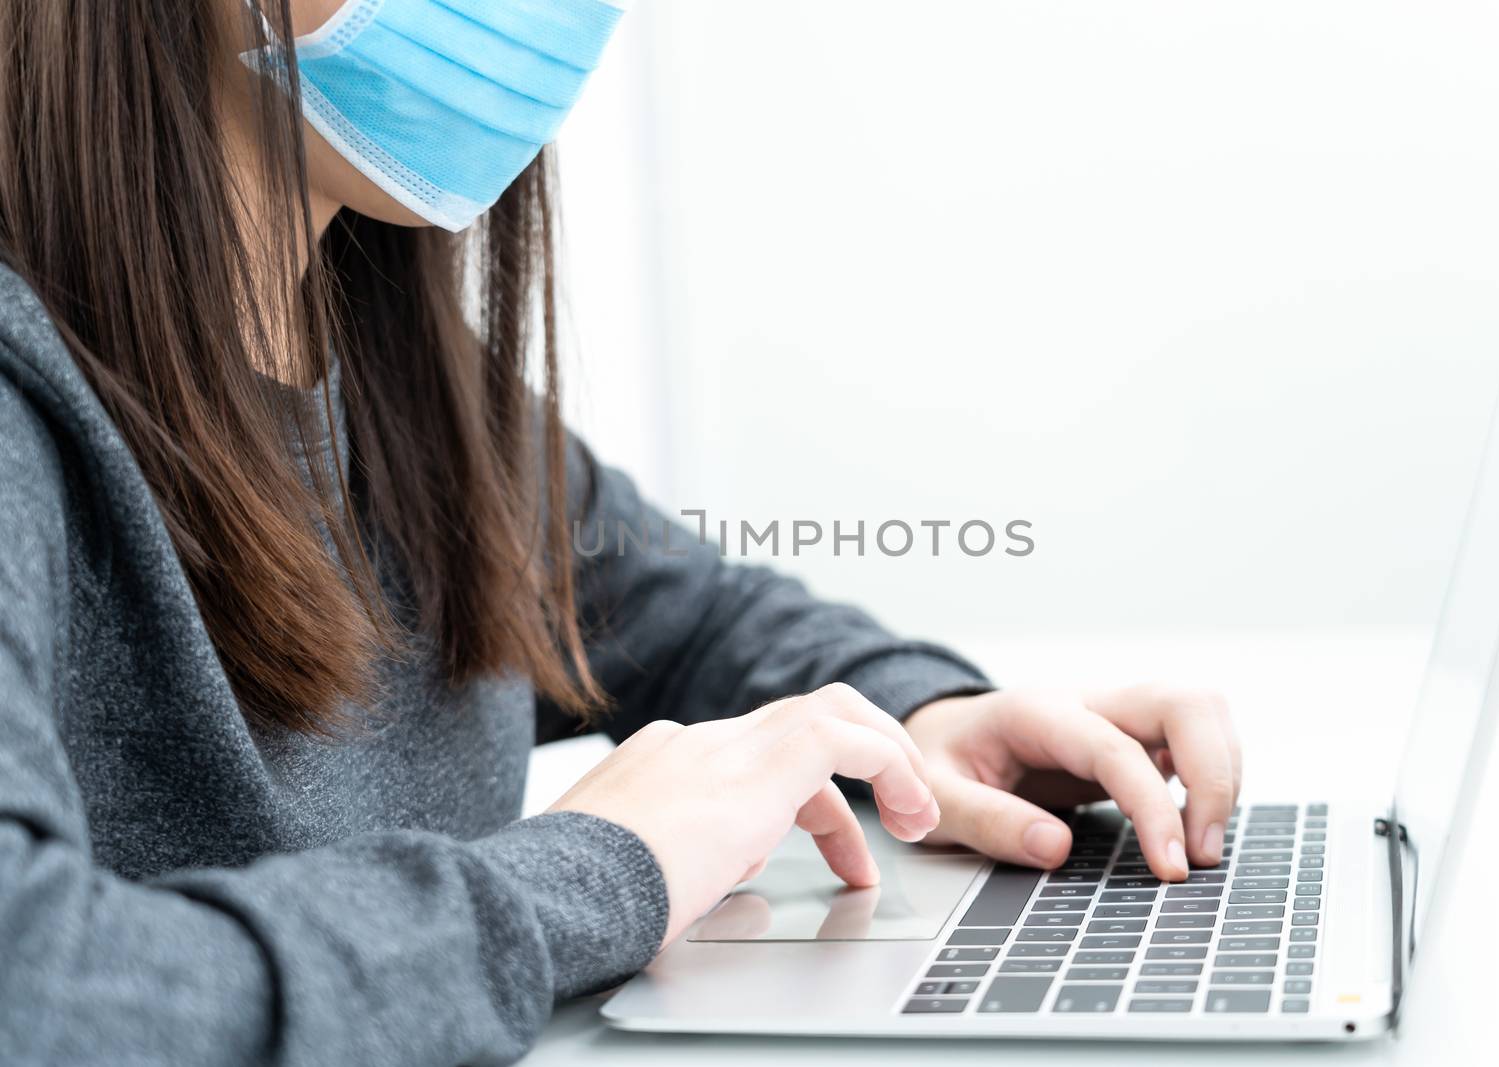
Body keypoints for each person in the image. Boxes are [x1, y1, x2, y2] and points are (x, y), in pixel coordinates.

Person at [0, 1, 1241, 1064]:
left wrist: (920, 720)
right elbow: (36, 992)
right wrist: (602, 866)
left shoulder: (388, 365)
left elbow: (687, 612)